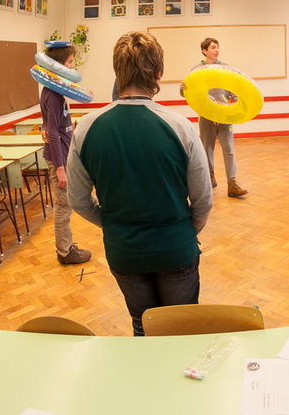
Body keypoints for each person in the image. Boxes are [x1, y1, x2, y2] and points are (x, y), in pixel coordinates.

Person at [68, 31, 213, 336]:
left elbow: (78, 200)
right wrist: (186, 230)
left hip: (124, 250)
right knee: (182, 329)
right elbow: (203, 199)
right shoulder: (180, 126)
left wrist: (113, 224)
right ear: (159, 73)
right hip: (176, 247)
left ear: (117, 72)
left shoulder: (86, 128)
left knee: (142, 325)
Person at [38, 41, 92, 265]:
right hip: (58, 159)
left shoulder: (54, 93)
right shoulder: (52, 95)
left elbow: (50, 126)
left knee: (65, 205)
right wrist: (60, 168)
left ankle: (67, 245)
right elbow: (52, 133)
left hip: (62, 156)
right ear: (59, 66)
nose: (72, 66)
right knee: (63, 206)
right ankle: (64, 252)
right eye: (70, 62)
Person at [179, 37, 248, 198]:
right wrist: (182, 88)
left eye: (217, 47)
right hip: (206, 115)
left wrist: (235, 103)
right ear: (204, 51)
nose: (217, 50)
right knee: (207, 148)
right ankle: (210, 179)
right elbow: (188, 93)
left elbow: (232, 89)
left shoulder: (224, 68)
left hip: (224, 115)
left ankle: (232, 183)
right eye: (213, 47)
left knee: (228, 149)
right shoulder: (196, 70)